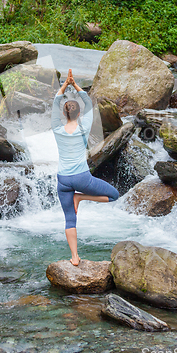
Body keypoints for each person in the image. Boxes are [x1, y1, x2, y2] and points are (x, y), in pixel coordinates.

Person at [51, 69, 119, 266]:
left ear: (64, 114)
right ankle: (81, 197)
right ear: (79, 113)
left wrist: (64, 85)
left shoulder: (57, 128)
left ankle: (74, 257)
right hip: (82, 178)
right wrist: (75, 85)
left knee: (69, 220)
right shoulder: (84, 126)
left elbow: (55, 103)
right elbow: (89, 103)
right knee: (113, 194)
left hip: (63, 179)